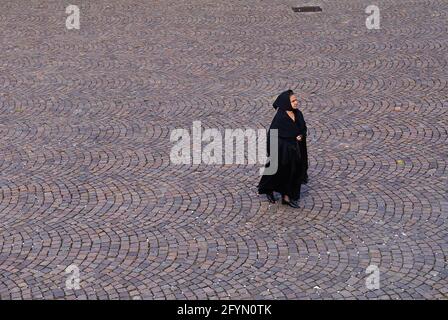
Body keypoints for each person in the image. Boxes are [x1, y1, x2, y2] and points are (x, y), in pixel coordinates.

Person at [258, 89, 308, 208]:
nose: (296, 102)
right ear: (286, 103)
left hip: (295, 152)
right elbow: (273, 136)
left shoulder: (298, 114)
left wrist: (301, 135)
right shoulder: (280, 118)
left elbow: (303, 128)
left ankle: (286, 197)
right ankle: (269, 190)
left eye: (296, 100)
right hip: (282, 153)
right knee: (277, 173)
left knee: (293, 174)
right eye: (293, 101)